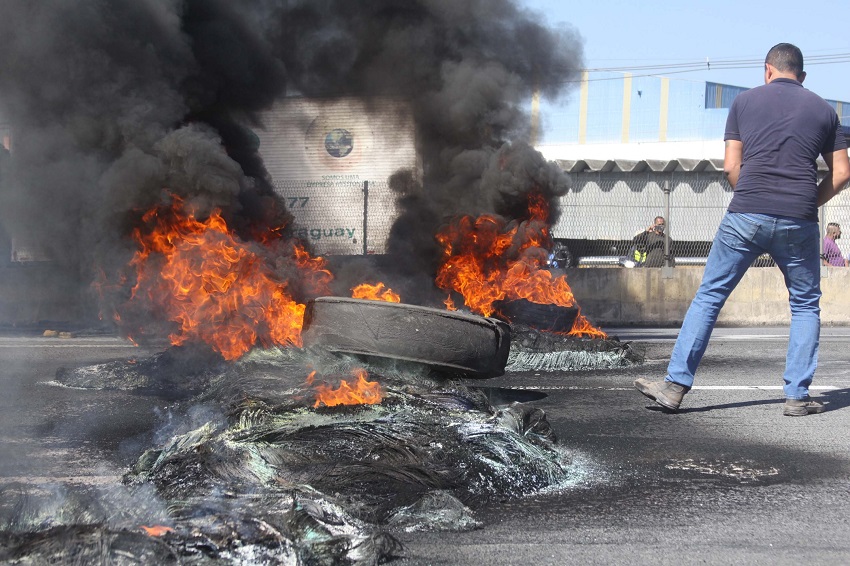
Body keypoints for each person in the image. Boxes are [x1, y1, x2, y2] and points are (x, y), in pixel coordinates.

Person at [634, 43, 850, 417]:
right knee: (804, 304)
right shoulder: (824, 110)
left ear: (767, 70)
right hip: (798, 219)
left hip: (745, 214)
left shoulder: (744, 102)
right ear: (802, 75)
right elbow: (843, 173)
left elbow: (731, 166)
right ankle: (797, 397)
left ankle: (674, 387)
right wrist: (806, 204)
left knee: (710, 296)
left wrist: (753, 197)